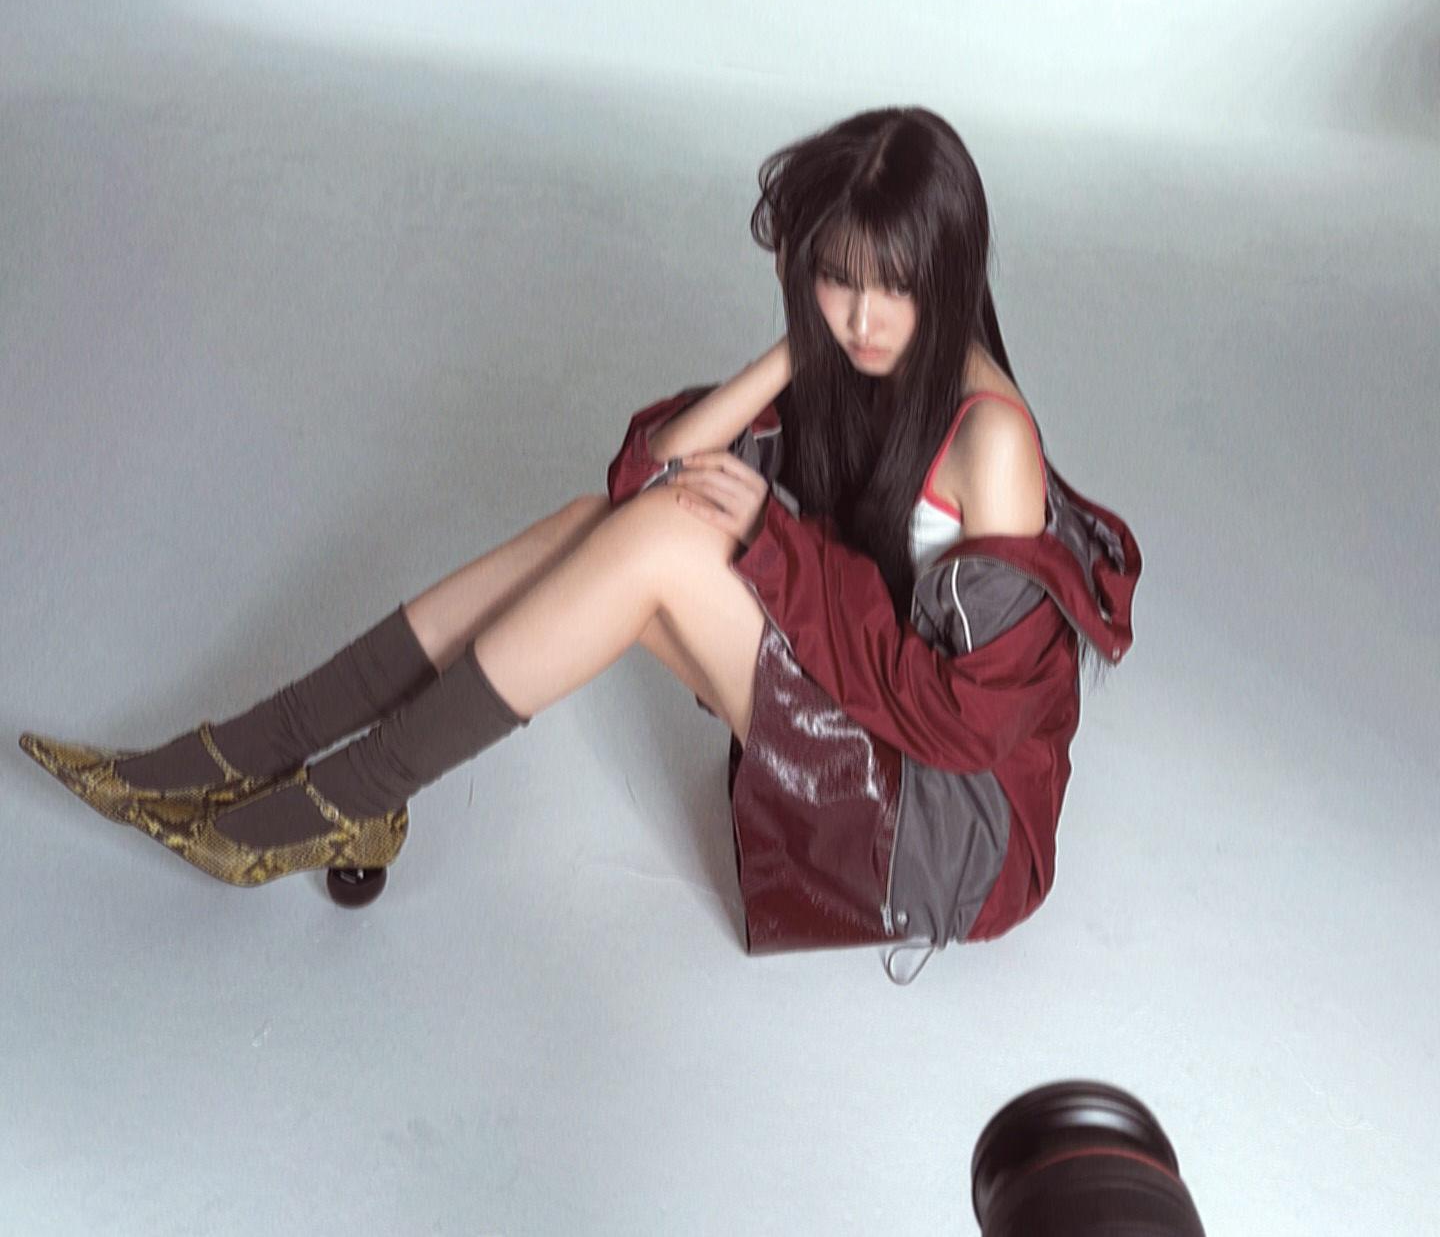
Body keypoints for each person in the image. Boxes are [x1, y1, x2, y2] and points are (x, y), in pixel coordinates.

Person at [21, 107, 1140, 957]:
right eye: (834, 281)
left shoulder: (993, 443)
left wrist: (774, 540)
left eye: (889, 287)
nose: (859, 317)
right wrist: (792, 352)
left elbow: (964, 725)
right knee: (598, 526)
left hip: (950, 830)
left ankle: (331, 804)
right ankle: (256, 750)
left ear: (948, 272)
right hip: (881, 727)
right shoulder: (860, 359)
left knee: (656, 544)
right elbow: (647, 477)